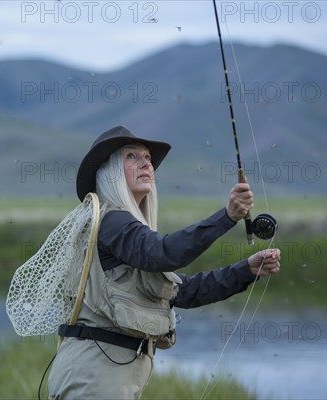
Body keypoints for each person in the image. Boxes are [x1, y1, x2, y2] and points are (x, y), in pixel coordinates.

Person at [46, 125, 281, 399]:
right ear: (109, 173)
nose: (146, 162)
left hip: (106, 375)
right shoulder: (112, 221)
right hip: (93, 377)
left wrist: (246, 270)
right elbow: (164, 253)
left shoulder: (121, 229)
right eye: (131, 157)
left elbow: (184, 292)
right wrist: (227, 216)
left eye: (147, 158)